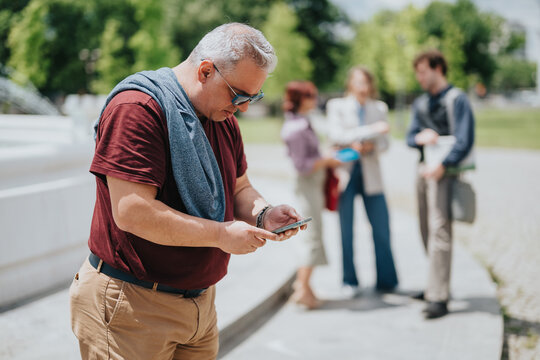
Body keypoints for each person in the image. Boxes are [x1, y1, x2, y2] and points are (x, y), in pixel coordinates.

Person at [69, 23, 306, 359]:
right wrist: (222, 235)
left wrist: (264, 213)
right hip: (132, 305)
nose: (244, 108)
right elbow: (133, 212)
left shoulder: (223, 118)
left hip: (198, 306)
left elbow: (239, 186)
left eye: (254, 97)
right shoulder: (137, 108)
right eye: (239, 95)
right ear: (206, 71)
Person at [406, 50, 475, 319]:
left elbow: (464, 140)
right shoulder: (421, 103)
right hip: (423, 170)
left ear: (438, 69)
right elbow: (409, 137)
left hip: (444, 173)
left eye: (423, 71)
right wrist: (421, 137)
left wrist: (443, 166)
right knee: (425, 228)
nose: (419, 77)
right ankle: (435, 283)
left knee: (440, 231)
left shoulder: (457, 99)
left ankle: (439, 296)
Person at [326, 66, 399, 297]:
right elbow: (336, 136)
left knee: (382, 229)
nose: (363, 88)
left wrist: (370, 144)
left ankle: (387, 281)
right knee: (346, 231)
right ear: (350, 84)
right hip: (346, 176)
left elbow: (386, 143)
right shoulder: (336, 106)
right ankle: (350, 280)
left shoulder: (379, 108)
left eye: (366, 83)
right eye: (358, 82)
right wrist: (372, 131)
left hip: (371, 174)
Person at [281, 81, 342, 309]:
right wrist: (326, 160)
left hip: (313, 186)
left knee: (314, 234)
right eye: (310, 96)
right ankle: (301, 287)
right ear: (301, 99)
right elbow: (301, 166)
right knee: (311, 236)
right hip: (306, 186)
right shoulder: (296, 128)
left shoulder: (303, 123)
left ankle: (305, 287)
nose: (315, 99)